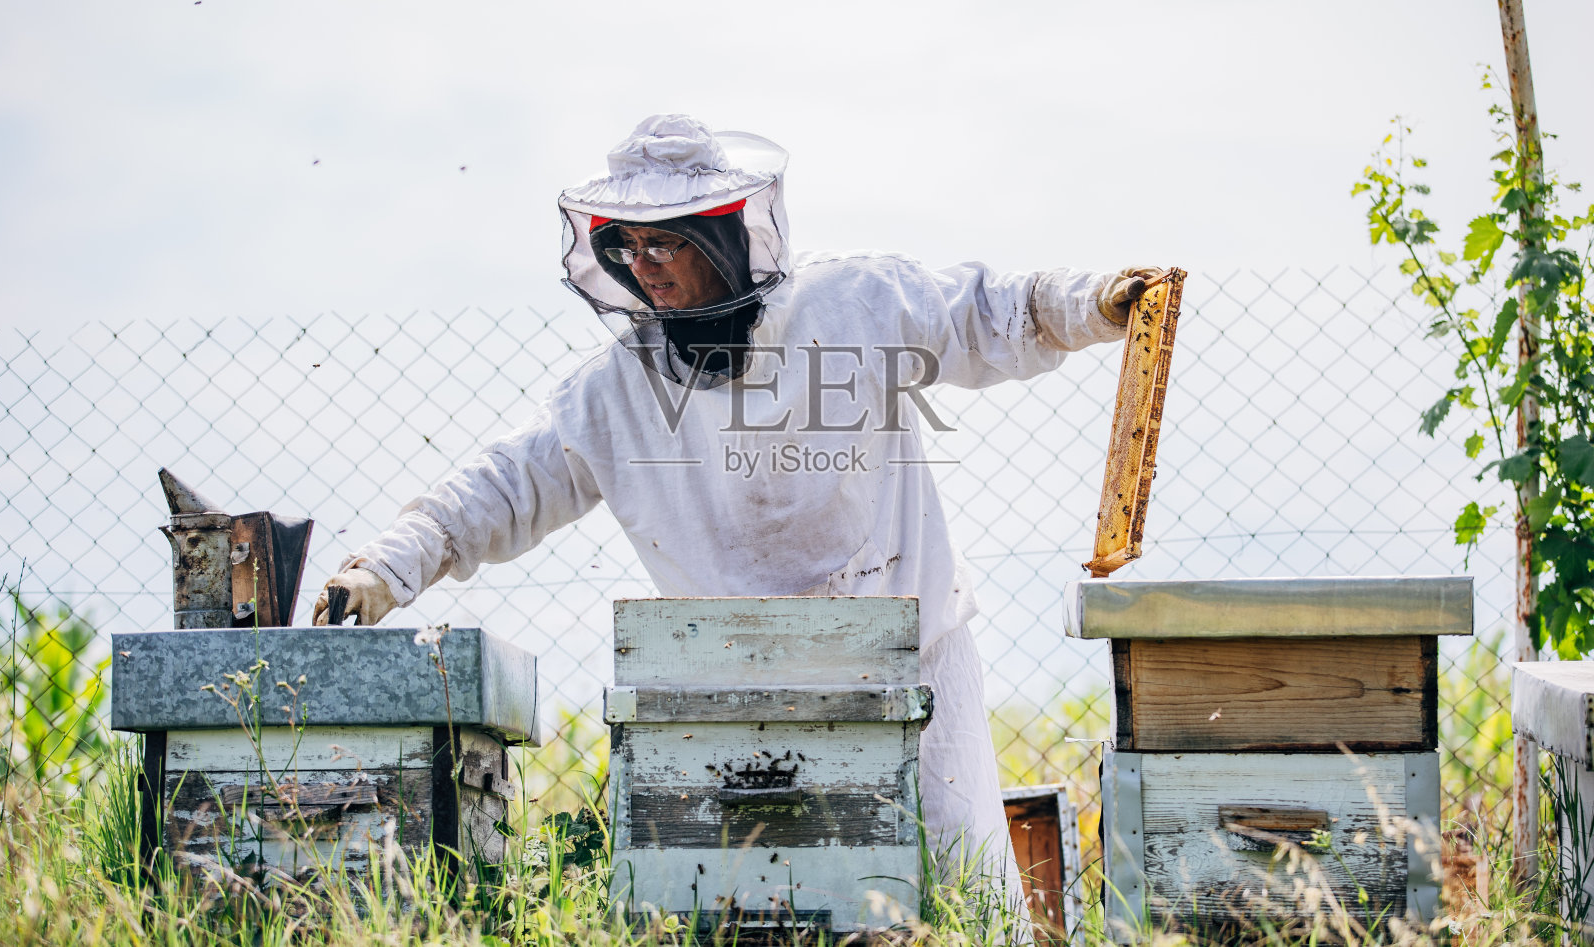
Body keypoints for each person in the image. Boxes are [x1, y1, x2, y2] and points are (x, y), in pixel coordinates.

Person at [314, 113, 1156, 903]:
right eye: (625, 245)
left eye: (665, 242)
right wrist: (389, 564)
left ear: (721, 234)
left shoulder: (852, 302)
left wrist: (1094, 299)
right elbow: (506, 483)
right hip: (739, 687)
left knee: (962, 886)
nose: (643, 264)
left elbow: (986, 313)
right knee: (770, 904)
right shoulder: (613, 390)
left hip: (917, 661)